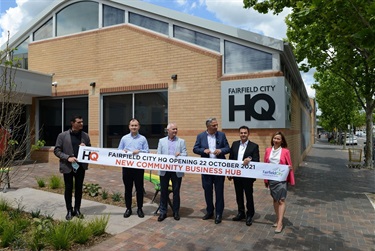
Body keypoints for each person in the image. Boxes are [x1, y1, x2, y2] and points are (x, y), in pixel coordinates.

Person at [193, 117, 230, 224]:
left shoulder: (221, 135)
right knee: (207, 190)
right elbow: (195, 149)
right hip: (206, 168)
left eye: (217, 125)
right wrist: (203, 151)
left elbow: (228, 148)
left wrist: (221, 150)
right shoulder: (201, 136)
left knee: (219, 191)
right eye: (214, 125)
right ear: (208, 126)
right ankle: (210, 211)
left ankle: (219, 213)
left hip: (219, 168)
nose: (216, 127)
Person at [54, 115, 91, 220]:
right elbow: (57, 151)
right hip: (67, 166)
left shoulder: (85, 136)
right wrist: (67, 157)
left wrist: (86, 148)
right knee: (68, 189)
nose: (81, 124)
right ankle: (69, 210)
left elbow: (90, 150)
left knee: (79, 189)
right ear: (72, 123)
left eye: (82, 122)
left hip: (80, 167)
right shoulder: (62, 136)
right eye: (79, 122)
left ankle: (77, 209)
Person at [264, 131, 295, 234]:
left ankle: (280, 223)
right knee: (275, 199)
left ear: (282, 141)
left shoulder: (285, 151)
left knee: (281, 200)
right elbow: (265, 164)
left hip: (281, 179)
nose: (276, 140)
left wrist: (289, 168)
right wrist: (265, 180)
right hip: (271, 179)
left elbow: (289, 164)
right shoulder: (268, 150)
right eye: (275, 138)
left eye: (278, 139)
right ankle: (277, 219)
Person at [228, 125, 259, 226]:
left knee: (249, 195)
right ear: (239, 134)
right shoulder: (235, 144)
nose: (243, 135)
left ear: (248, 134)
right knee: (238, 195)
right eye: (241, 133)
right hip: (237, 175)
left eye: (245, 133)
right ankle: (241, 212)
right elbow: (231, 159)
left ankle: (250, 214)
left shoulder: (254, 146)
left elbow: (256, 160)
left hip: (247, 176)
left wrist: (249, 159)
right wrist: (229, 172)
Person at [118, 118, 149, 218]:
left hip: (138, 168)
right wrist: (124, 152)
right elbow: (119, 151)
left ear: (139, 127)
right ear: (129, 127)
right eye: (132, 125)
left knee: (139, 189)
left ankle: (140, 208)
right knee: (128, 189)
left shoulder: (143, 139)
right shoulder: (124, 138)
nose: (134, 127)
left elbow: (147, 152)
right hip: (127, 168)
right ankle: (128, 208)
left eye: (136, 125)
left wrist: (139, 152)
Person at [156, 122, 187, 222]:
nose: (175, 131)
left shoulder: (181, 141)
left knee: (176, 192)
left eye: (176, 129)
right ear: (168, 130)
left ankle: (176, 212)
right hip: (164, 170)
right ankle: (163, 212)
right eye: (173, 129)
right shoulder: (161, 141)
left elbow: (185, 154)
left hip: (176, 171)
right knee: (163, 192)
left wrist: (181, 154)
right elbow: (158, 154)